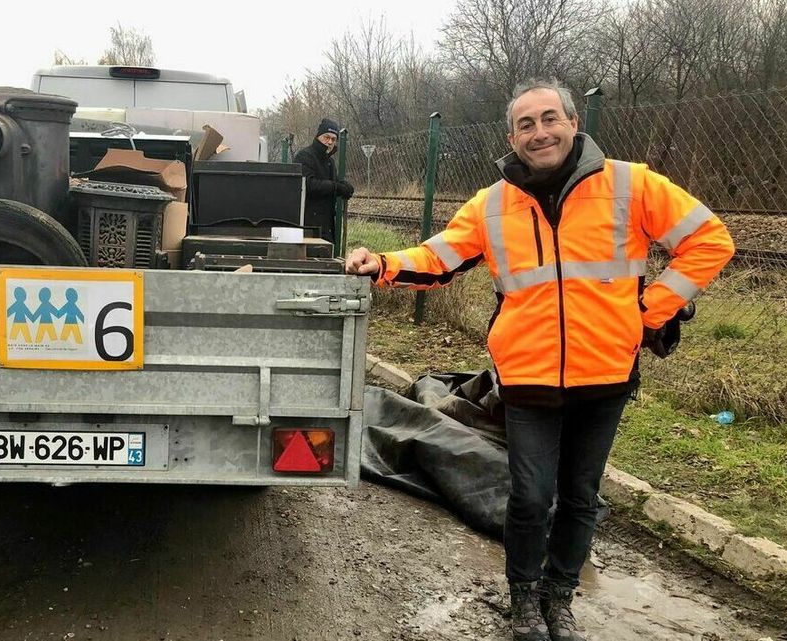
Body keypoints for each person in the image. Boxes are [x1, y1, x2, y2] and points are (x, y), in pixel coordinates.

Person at [346, 78, 734, 641]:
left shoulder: (632, 185)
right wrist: (379, 262)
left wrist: (648, 312)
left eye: (549, 119)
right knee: (529, 496)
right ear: (512, 136)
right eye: (526, 125)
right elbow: (438, 257)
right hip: (527, 377)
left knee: (580, 496)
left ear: (574, 124)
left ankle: (560, 598)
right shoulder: (494, 203)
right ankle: (525, 601)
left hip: (605, 375)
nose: (539, 133)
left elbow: (709, 239)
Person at [294, 117, 355, 244]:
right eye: (326, 137)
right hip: (309, 224)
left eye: (333, 139)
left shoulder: (329, 161)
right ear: (318, 136)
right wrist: (336, 187)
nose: (329, 142)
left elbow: (334, 182)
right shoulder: (305, 156)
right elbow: (308, 184)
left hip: (326, 223)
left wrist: (344, 187)